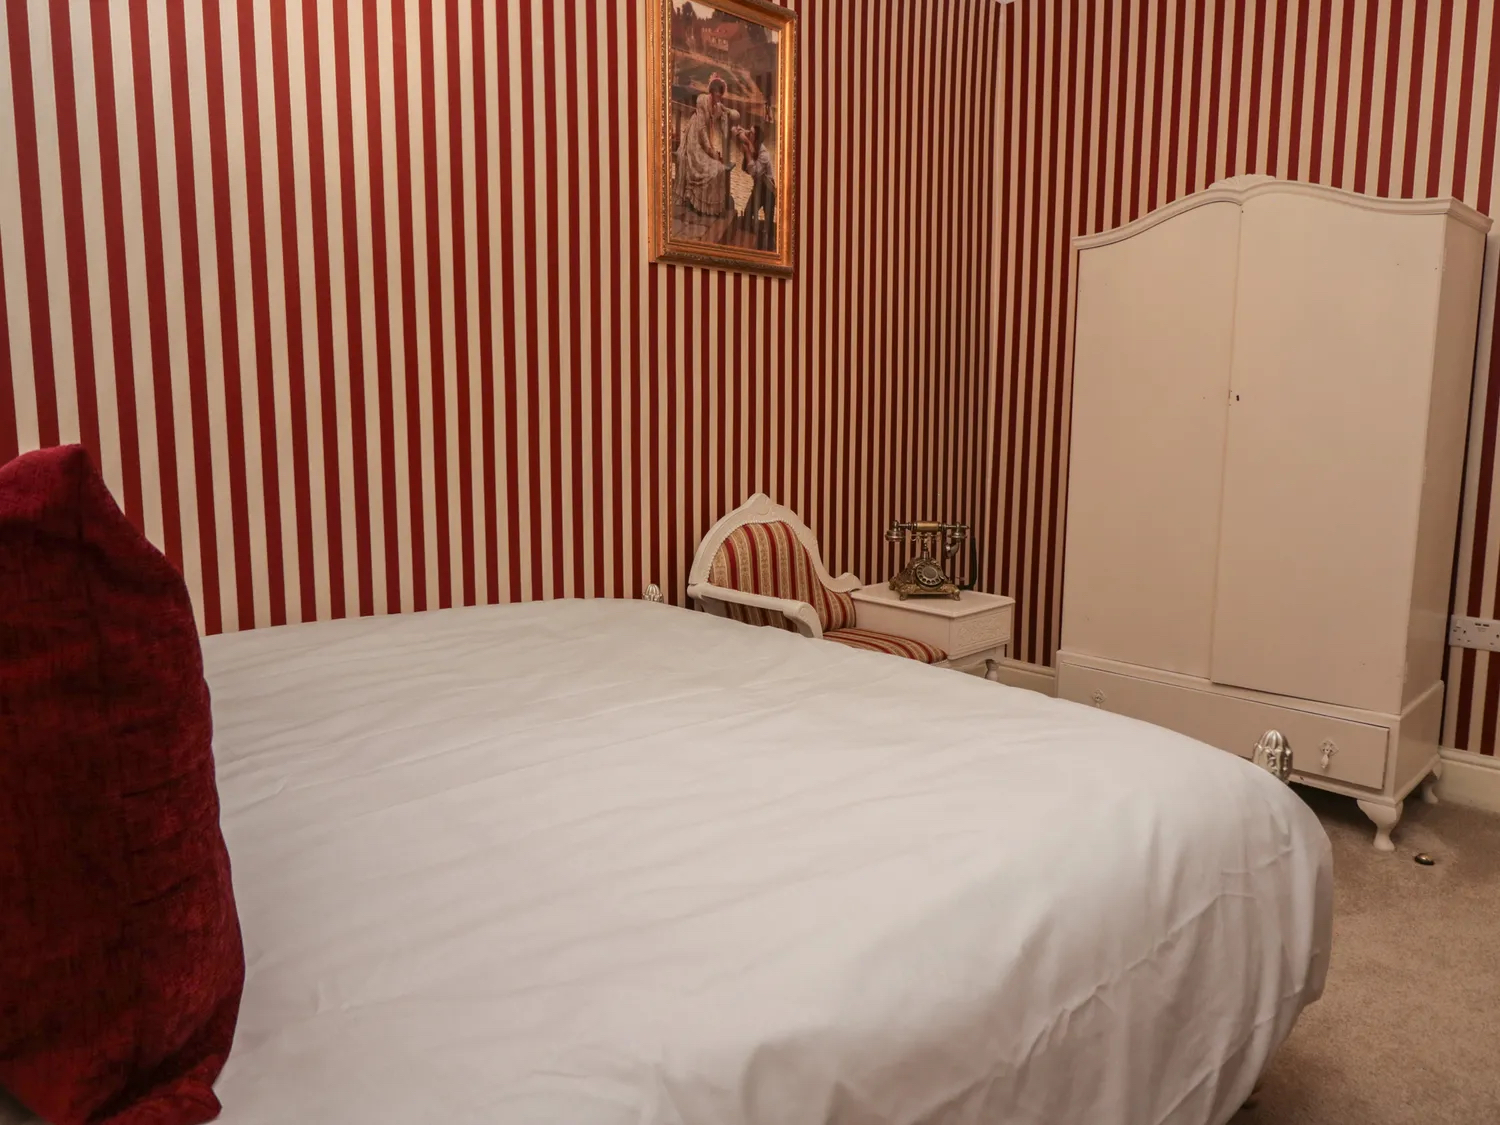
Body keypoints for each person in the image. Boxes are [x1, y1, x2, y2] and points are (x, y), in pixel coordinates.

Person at [676, 76, 740, 216]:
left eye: (721, 94)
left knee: (719, 168)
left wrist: (729, 112)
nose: (719, 96)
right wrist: (710, 151)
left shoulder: (717, 106)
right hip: (694, 139)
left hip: (704, 142)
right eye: (717, 93)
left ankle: (705, 204)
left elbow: (727, 110)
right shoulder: (702, 100)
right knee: (708, 168)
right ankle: (693, 197)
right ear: (712, 91)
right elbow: (702, 129)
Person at [735, 123, 777, 248]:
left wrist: (748, 151)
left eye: (752, 134)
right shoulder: (752, 143)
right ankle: (753, 239)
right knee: (747, 214)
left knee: (769, 224)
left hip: (768, 190)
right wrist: (744, 136)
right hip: (758, 188)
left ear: (757, 139)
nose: (749, 134)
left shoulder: (764, 155)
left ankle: (769, 245)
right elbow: (736, 131)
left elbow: (754, 172)